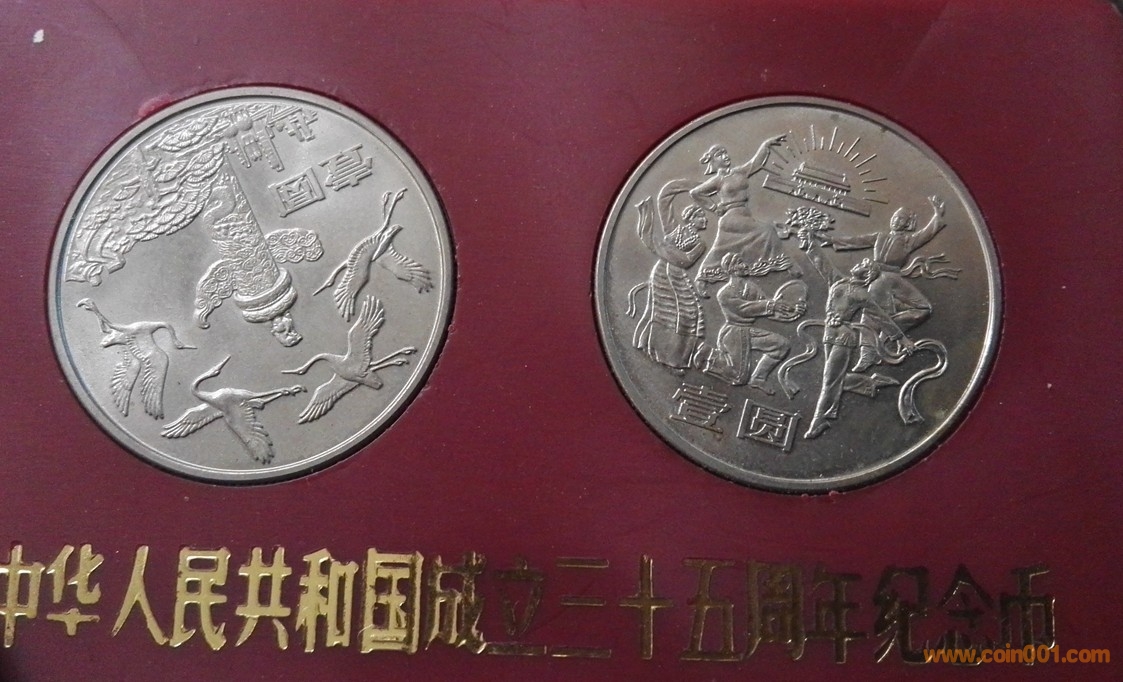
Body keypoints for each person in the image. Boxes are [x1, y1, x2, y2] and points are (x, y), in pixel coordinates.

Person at [821, 195, 947, 371]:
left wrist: (937, 215)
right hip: (876, 278)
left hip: (892, 278)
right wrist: (833, 240)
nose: (896, 220)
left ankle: (884, 336)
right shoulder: (881, 236)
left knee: (923, 308)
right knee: (871, 312)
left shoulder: (908, 241)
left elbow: (927, 234)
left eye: (901, 219)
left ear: (908, 224)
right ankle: (868, 354)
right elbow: (859, 240)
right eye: (895, 217)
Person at [804, 259, 910, 439]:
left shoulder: (861, 294)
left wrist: (901, 338)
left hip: (844, 336)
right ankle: (870, 383)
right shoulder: (838, 281)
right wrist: (810, 245)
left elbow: (881, 317)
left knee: (830, 379)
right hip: (829, 333)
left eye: (862, 264)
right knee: (833, 377)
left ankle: (819, 420)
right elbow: (823, 264)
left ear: (866, 272)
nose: (857, 264)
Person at [690, 136, 797, 289]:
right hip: (731, 217)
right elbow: (695, 193)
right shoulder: (718, 180)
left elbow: (755, 163)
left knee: (720, 249)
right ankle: (787, 265)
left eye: (725, 153)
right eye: (719, 155)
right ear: (713, 161)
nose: (725, 156)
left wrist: (765, 145)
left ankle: (701, 279)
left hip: (744, 214)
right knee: (767, 230)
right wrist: (714, 208)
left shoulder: (739, 172)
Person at [632, 180, 709, 372]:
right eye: (701, 216)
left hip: (678, 276)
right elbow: (665, 197)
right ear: (692, 218)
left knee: (689, 315)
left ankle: (677, 359)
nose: (706, 220)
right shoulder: (675, 230)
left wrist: (661, 248)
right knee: (664, 313)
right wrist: (694, 185)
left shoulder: (700, 244)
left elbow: (686, 262)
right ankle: (658, 355)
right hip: (662, 275)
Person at [705, 254, 803, 393]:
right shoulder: (724, 293)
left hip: (749, 332)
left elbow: (768, 310)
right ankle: (712, 360)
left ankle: (758, 379)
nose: (745, 265)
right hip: (733, 333)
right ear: (731, 269)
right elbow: (744, 309)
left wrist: (792, 311)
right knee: (738, 378)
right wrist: (771, 305)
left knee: (781, 345)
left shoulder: (751, 288)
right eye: (740, 263)